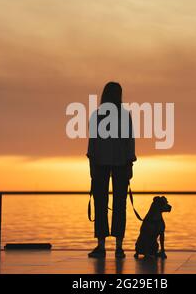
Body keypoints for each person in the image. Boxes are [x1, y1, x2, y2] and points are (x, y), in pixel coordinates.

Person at [87, 81, 136, 258]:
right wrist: (130, 162)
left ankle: (102, 246)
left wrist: (92, 165)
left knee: (101, 204)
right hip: (121, 164)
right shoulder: (124, 115)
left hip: (101, 164)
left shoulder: (97, 115)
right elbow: (130, 141)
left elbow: (92, 144)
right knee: (119, 205)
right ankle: (118, 247)